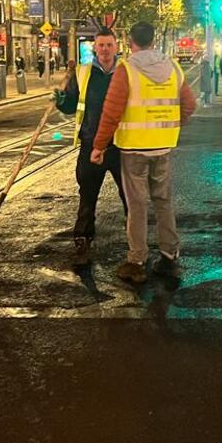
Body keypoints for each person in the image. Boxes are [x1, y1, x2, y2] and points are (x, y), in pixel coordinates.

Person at [91, 21, 196, 284]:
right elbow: (189, 103)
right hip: (163, 145)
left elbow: (112, 111)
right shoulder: (172, 67)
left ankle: (137, 261)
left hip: (134, 149)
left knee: (137, 205)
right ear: (153, 40)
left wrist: (99, 145)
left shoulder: (126, 69)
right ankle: (170, 256)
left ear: (129, 41)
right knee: (163, 201)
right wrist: (173, 124)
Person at [55, 28, 127, 265]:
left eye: (109, 45)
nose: (105, 49)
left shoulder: (126, 72)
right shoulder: (83, 73)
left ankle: (135, 241)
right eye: (101, 45)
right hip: (90, 144)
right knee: (87, 194)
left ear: (116, 47)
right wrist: (62, 100)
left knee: (129, 195)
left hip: (120, 145)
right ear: (95, 48)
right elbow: (70, 106)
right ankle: (82, 238)